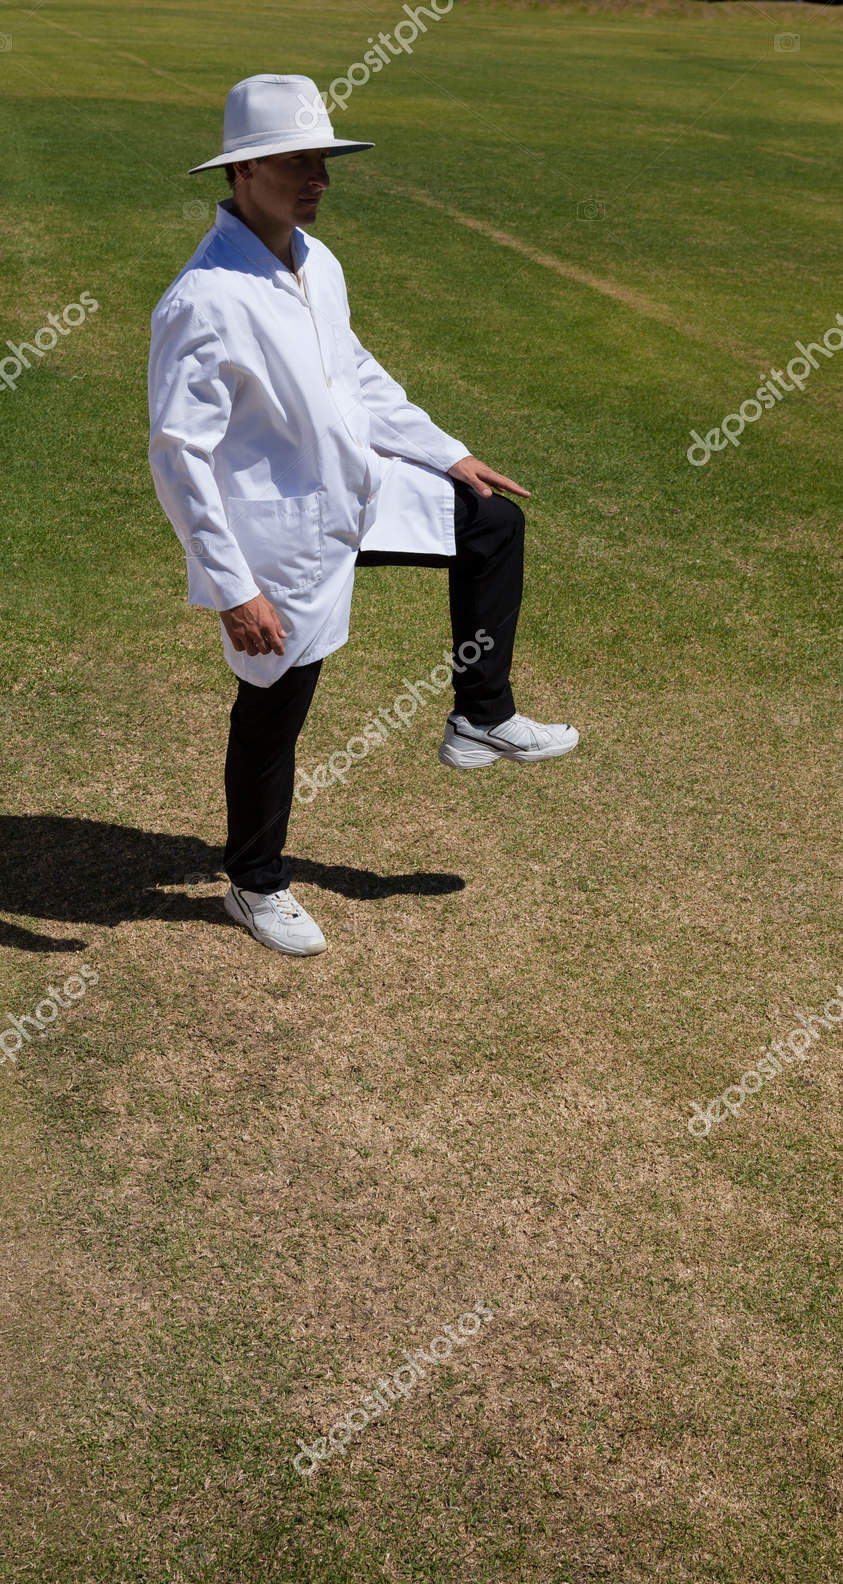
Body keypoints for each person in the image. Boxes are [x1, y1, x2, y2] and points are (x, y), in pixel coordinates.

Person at [148, 74, 577, 957]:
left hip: (357, 491)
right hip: (274, 536)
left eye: (324, 161)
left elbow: (358, 376)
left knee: (488, 519)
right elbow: (178, 453)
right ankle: (256, 884)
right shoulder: (204, 300)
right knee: (275, 705)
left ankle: (480, 716)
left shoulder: (315, 259)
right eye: (297, 162)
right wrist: (234, 588)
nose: (319, 178)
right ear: (241, 174)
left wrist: (447, 453)